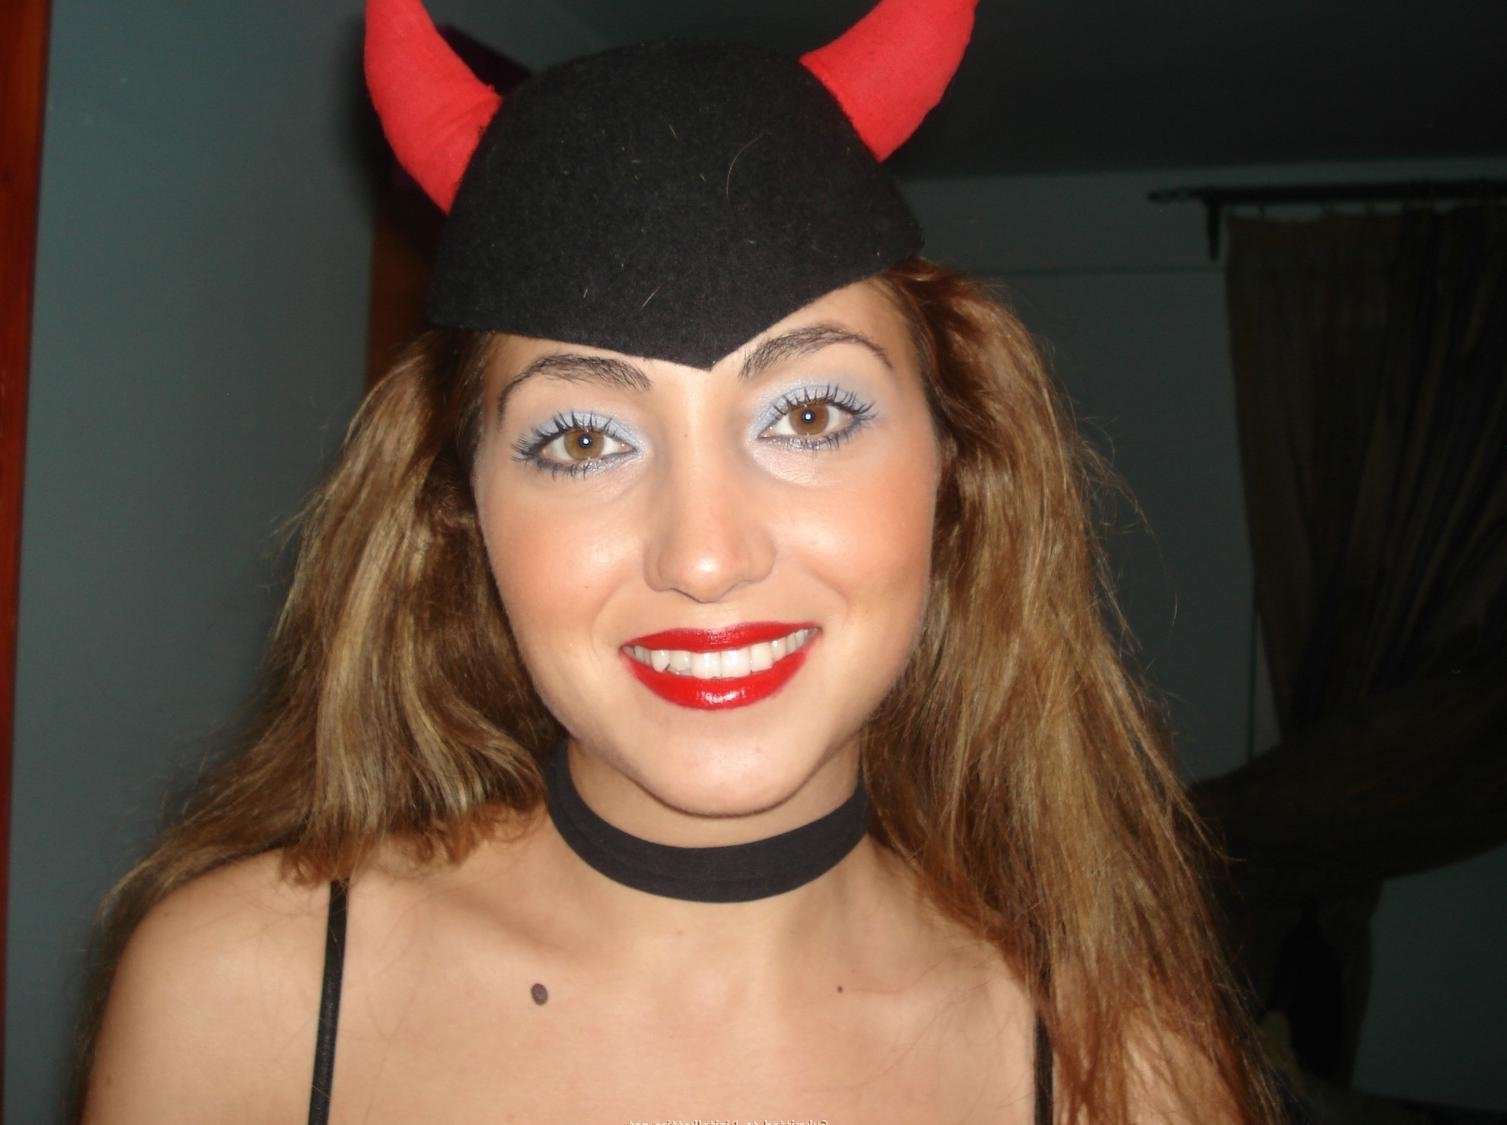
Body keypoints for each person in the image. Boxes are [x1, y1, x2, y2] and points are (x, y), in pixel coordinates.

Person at [79, 0, 1281, 1121]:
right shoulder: (243, 1000)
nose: (705, 557)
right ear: (459, 509)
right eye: (583, 439)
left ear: (957, 465)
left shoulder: (1121, 1071)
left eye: (808, 416)